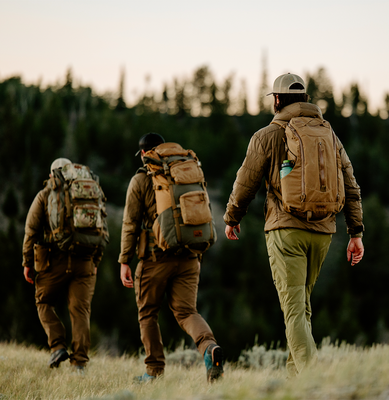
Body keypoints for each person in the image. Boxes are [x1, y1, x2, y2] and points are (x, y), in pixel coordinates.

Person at [224, 73, 364, 377]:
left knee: (294, 309)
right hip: (324, 232)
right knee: (301, 307)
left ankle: (314, 382)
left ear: (277, 100)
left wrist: (232, 218)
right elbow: (351, 186)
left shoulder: (266, 135)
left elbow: (245, 183)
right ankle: (294, 384)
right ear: (305, 101)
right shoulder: (329, 135)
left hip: (285, 230)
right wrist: (356, 232)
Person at [119, 132, 224, 383]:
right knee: (187, 312)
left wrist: (124, 259)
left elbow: (130, 222)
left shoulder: (142, 179)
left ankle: (154, 371)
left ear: (144, 154)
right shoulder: (188, 171)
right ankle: (209, 348)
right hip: (189, 256)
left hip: (156, 258)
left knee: (147, 313)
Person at [22, 158, 103, 372]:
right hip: (85, 261)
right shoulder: (89, 192)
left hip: (53, 261)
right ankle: (79, 364)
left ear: (52, 174)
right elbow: (100, 230)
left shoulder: (45, 195)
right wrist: (96, 260)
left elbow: (30, 231)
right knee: (81, 311)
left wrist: (27, 262)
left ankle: (57, 346)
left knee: (43, 302)